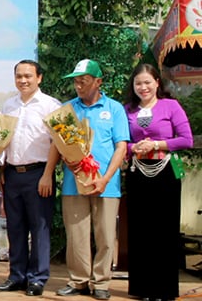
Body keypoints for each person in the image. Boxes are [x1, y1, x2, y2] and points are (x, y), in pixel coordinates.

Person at [55, 59, 129, 300]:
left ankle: (102, 283)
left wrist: (106, 178)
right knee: (76, 235)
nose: (78, 85)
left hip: (106, 184)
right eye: (76, 81)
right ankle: (78, 281)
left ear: (98, 82)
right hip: (72, 182)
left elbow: (121, 147)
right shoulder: (68, 109)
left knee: (106, 235)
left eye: (83, 81)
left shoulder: (115, 108)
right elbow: (58, 144)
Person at [123, 63, 191, 301]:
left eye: (147, 82)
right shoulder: (128, 110)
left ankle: (164, 289)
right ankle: (143, 288)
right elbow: (121, 142)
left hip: (166, 172)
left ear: (157, 83)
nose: (143, 87)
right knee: (141, 230)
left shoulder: (170, 106)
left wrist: (157, 144)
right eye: (138, 83)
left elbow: (186, 139)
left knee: (164, 229)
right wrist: (134, 147)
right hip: (138, 172)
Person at [0, 60, 60, 296]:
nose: (23, 80)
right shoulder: (8, 105)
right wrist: (2, 172)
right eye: (19, 76)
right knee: (15, 228)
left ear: (39, 78)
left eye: (28, 76)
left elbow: (57, 142)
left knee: (39, 227)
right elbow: (2, 140)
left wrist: (48, 175)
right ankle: (17, 275)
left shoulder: (50, 105)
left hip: (38, 173)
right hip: (12, 174)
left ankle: (37, 277)